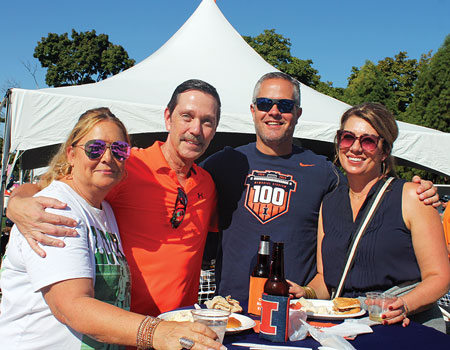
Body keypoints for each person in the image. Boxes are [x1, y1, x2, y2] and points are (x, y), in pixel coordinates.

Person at [201, 72, 439, 305]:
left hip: (295, 310)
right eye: (265, 103)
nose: (274, 111)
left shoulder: (323, 171)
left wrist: (421, 192)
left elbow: (367, 195)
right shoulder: (223, 163)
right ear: (253, 111)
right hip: (233, 306)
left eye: (285, 105)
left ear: (298, 113)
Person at [0, 108, 225, 350]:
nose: (107, 158)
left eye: (119, 150)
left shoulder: (105, 210)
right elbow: (71, 307)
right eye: (94, 148)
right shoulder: (55, 210)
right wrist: (158, 332)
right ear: (71, 154)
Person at [289, 103, 450, 332]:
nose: (355, 148)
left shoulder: (413, 197)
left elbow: (440, 277)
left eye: (368, 141)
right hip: (348, 327)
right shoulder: (330, 203)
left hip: (403, 325)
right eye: (347, 138)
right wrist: (305, 292)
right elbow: (326, 279)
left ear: (384, 151)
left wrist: (404, 305)